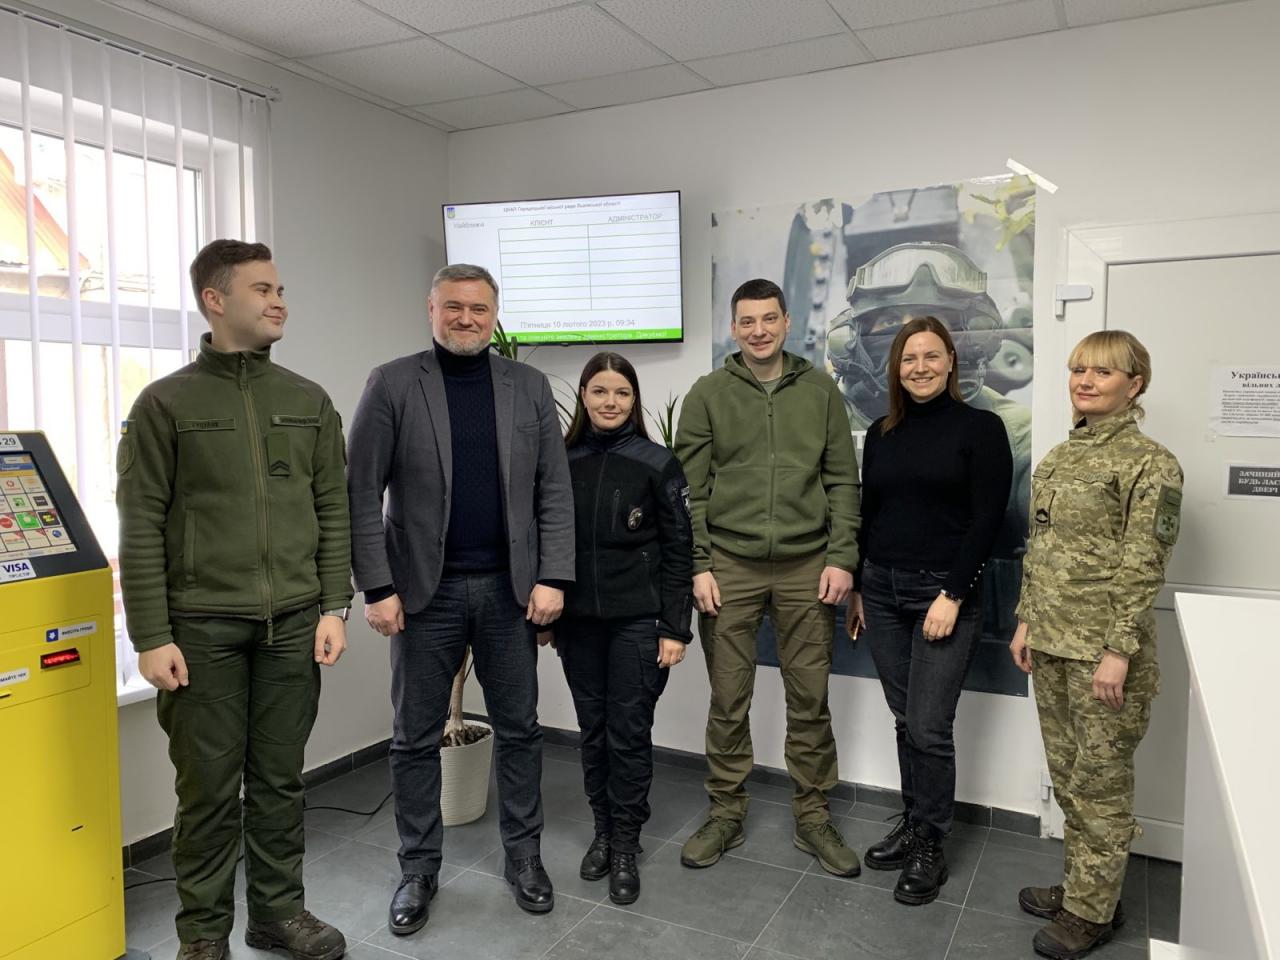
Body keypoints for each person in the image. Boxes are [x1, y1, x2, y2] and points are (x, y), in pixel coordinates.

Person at [117, 240, 352, 960]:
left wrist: (334, 605)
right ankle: (203, 934)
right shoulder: (164, 403)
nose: (279, 300)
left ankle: (278, 914)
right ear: (214, 300)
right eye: (262, 289)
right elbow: (140, 522)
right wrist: (150, 634)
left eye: (280, 289)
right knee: (209, 792)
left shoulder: (308, 400)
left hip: (293, 625)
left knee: (279, 781)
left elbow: (333, 509)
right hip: (200, 631)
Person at [345, 263, 574, 935]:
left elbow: (554, 490)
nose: (466, 319)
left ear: (494, 316)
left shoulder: (527, 387)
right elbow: (361, 492)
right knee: (414, 738)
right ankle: (418, 869)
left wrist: (554, 576)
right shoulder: (392, 383)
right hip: (424, 595)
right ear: (431, 309)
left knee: (521, 730)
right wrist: (378, 586)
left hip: (510, 592)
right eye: (453, 307)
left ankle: (524, 856)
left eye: (478, 308)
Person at [674, 277, 862, 876]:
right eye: (747, 321)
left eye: (769, 319)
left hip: (808, 565)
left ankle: (813, 815)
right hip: (730, 565)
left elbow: (843, 480)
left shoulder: (822, 391)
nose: (759, 331)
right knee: (729, 698)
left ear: (787, 322)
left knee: (810, 697)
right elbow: (689, 491)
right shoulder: (708, 394)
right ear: (734, 328)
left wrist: (842, 557)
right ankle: (725, 811)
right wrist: (699, 564)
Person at [1009, 330, 1182, 960]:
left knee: (1101, 786)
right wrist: (1026, 620)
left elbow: (1143, 565)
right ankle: (1086, 888)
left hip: (1104, 656)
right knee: (1069, 780)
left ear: (1135, 384)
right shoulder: (1061, 455)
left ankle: (1091, 913)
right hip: (1052, 642)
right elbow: (1041, 549)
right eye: (1078, 369)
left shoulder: (1151, 463)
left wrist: (1119, 651)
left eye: (1102, 372)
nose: (1084, 381)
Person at [846, 315, 1012, 906]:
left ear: (950, 362)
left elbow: (987, 520)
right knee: (904, 717)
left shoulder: (981, 428)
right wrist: (859, 587)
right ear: (896, 368)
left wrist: (953, 594)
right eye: (909, 358)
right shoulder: (881, 432)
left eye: (931, 356)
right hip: (881, 589)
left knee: (928, 726)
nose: (920, 368)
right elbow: (870, 513)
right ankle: (915, 822)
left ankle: (931, 844)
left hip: (942, 594)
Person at [541, 352, 693, 906]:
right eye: (600, 391)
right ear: (584, 396)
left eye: (622, 393)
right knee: (594, 731)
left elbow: (680, 549)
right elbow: (543, 537)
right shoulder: (560, 461)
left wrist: (675, 628)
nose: (611, 402)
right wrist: (544, 616)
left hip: (638, 622)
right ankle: (603, 832)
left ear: (635, 399)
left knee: (628, 733)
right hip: (577, 623)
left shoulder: (658, 462)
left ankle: (627, 843)